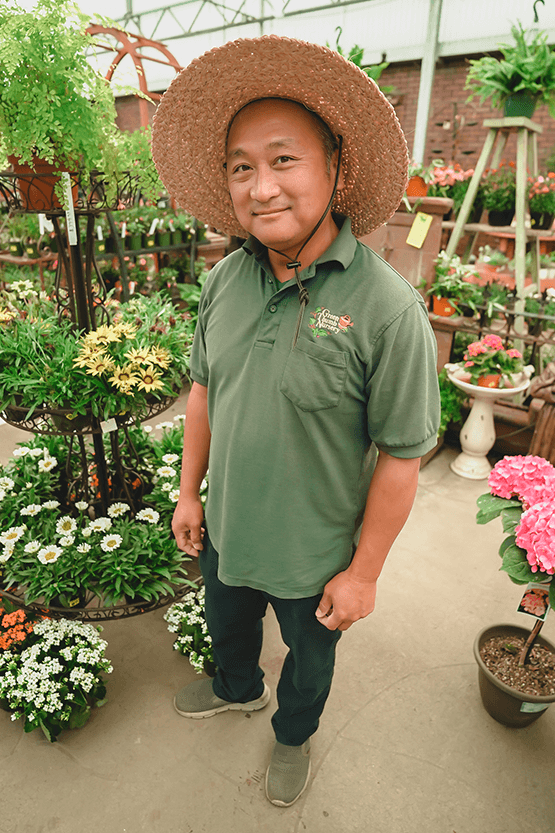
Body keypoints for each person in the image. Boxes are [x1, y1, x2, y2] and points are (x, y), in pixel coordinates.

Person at [152, 35, 440, 807]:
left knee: (309, 660)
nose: (262, 187)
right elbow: (204, 392)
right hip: (228, 526)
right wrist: (190, 493)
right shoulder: (225, 280)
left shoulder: (386, 310)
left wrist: (363, 572)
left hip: (316, 554)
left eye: (284, 160)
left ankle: (292, 732)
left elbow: (401, 455)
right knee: (227, 624)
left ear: (335, 167)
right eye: (241, 167)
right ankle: (236, 686)